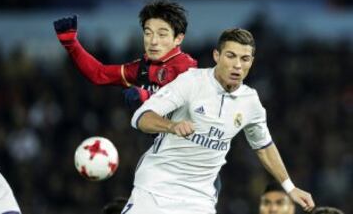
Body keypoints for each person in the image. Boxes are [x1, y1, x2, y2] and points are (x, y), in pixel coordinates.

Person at [129, 28, 315, 214]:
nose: (237, 65)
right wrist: (171, 126)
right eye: (231, 56)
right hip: (155, 187)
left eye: (244, 59)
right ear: (216, 55)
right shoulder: (191, 82)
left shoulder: (250, 102)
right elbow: (141, 117)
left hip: (199, 199)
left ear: (252, 61)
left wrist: (290, 187)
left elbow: (264, 146)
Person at [53, 0, 197, 110]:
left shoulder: (186, 67)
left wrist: (145, 95)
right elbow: (99, 73)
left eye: (162, 34)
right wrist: (72, 45)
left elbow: (182, 105)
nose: (153, 41)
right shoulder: (141, 68)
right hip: (164, 143)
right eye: (148, 33)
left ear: (178, 38)